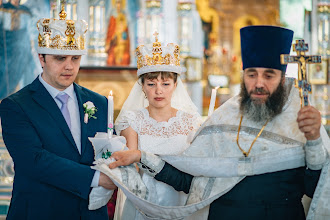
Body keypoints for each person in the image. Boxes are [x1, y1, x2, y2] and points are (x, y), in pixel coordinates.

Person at [108, 26, 330, 219]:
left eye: (269, 75)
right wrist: (141, 156)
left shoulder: (302, 120)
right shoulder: (223, 118)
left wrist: (313, 140)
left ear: (282, 79)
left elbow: (316, 189)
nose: (259, 83)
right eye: (251, 74)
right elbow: (189, 181)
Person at [0, 6, 116, 220]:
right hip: (40, 211)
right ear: (41, 58)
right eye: (60, 58)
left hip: (89, 214)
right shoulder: (15, 106)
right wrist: (97, 178)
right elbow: (34, 161)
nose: (69, 67)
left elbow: (109, 149)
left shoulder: (99, 103)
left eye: (75, 59)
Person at [113, 33, 202, 219]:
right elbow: (130, 167)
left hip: (180, 198)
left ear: (176, 84)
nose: (158, 90)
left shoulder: (191, 121)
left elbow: (196, 166)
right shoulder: (132, 120)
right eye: (151, 83)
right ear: (142, 86)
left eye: (166, 83)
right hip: (143, 200)